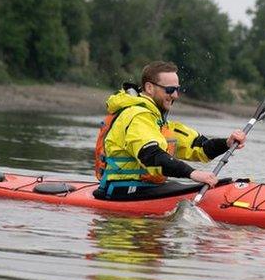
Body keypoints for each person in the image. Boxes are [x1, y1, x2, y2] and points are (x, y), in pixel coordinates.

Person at [93, 61, 246, 200]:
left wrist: (227, 143)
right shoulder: (137, 116)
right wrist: (193, 173)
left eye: (177, 89)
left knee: (219, 184)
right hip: (123, 191)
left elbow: (199, 148)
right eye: (170, 89)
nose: (175, 95)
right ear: (149, 88)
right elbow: (151, 155)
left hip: (147, 188)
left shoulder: (159, 123)